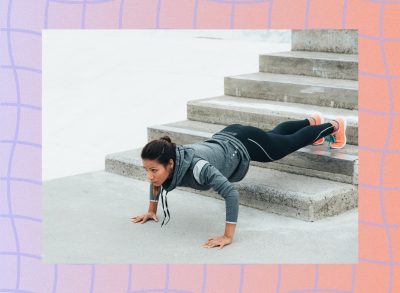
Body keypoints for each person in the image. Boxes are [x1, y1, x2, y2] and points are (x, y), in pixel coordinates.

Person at [131, 113, 347, 249]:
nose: (150, 176)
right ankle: (311, 122)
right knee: (274, 137)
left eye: (153, 170)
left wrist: (227, 236)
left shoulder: (198, 168)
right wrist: (151, 210)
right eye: (147, 170)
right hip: (231, 136)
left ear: (170, 164)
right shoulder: (169, 161)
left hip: (242, 142)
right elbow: (156, 181)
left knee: (286, 144)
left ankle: (334, 126)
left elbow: (231, 193)